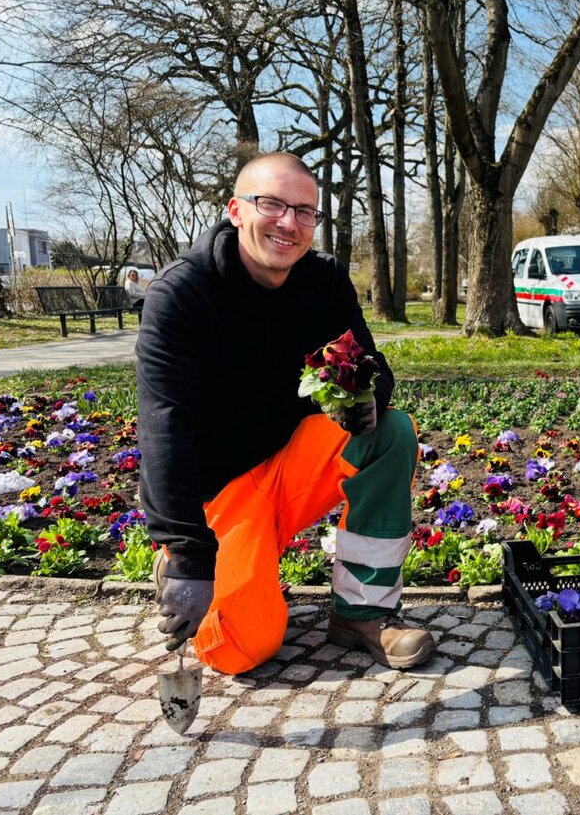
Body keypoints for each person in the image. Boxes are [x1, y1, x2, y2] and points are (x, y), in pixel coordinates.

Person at [137, 152, 434, 675]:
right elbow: (164, 425)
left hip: (290, 463)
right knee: (244, 649)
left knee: (391, 434)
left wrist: (369, 394)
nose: (289, 223)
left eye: (304, 211)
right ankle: (189, 570)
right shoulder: (182, 294)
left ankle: (362, 612)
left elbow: (367, 361)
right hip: (222, 492)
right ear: (235, 209)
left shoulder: (323, 282)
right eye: (271, 204)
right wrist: (186, 551)